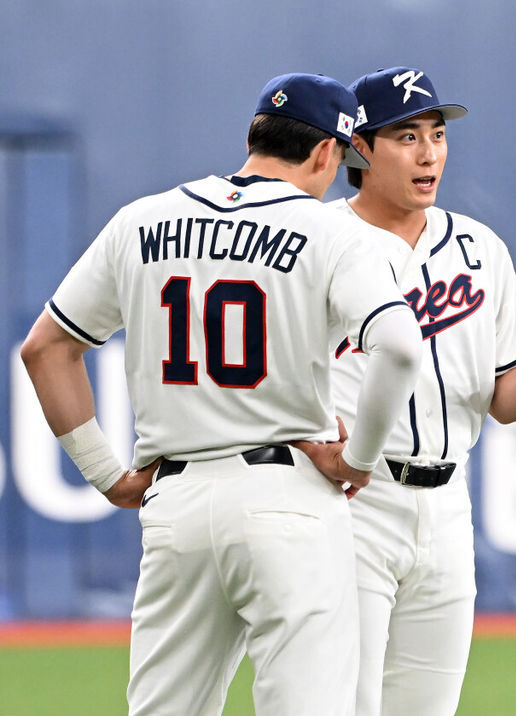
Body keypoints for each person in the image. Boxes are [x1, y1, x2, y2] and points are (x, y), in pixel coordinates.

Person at [20, 73, 423, 716]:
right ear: (326, 153)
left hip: (175, 501)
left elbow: (46, 349)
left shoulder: (141, 218)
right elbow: (400, 348)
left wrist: (108, 476)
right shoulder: (331, 232)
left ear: (254, 136)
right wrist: (357, 462)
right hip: (287, 498)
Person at [327, 66, 516, 716]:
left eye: (437, 133)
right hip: (354, 502)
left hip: (446, 509)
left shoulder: (479, 248)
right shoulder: (320, 242)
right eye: (406, 136)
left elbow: (504, 400)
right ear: (360, 147)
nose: (430, 151)